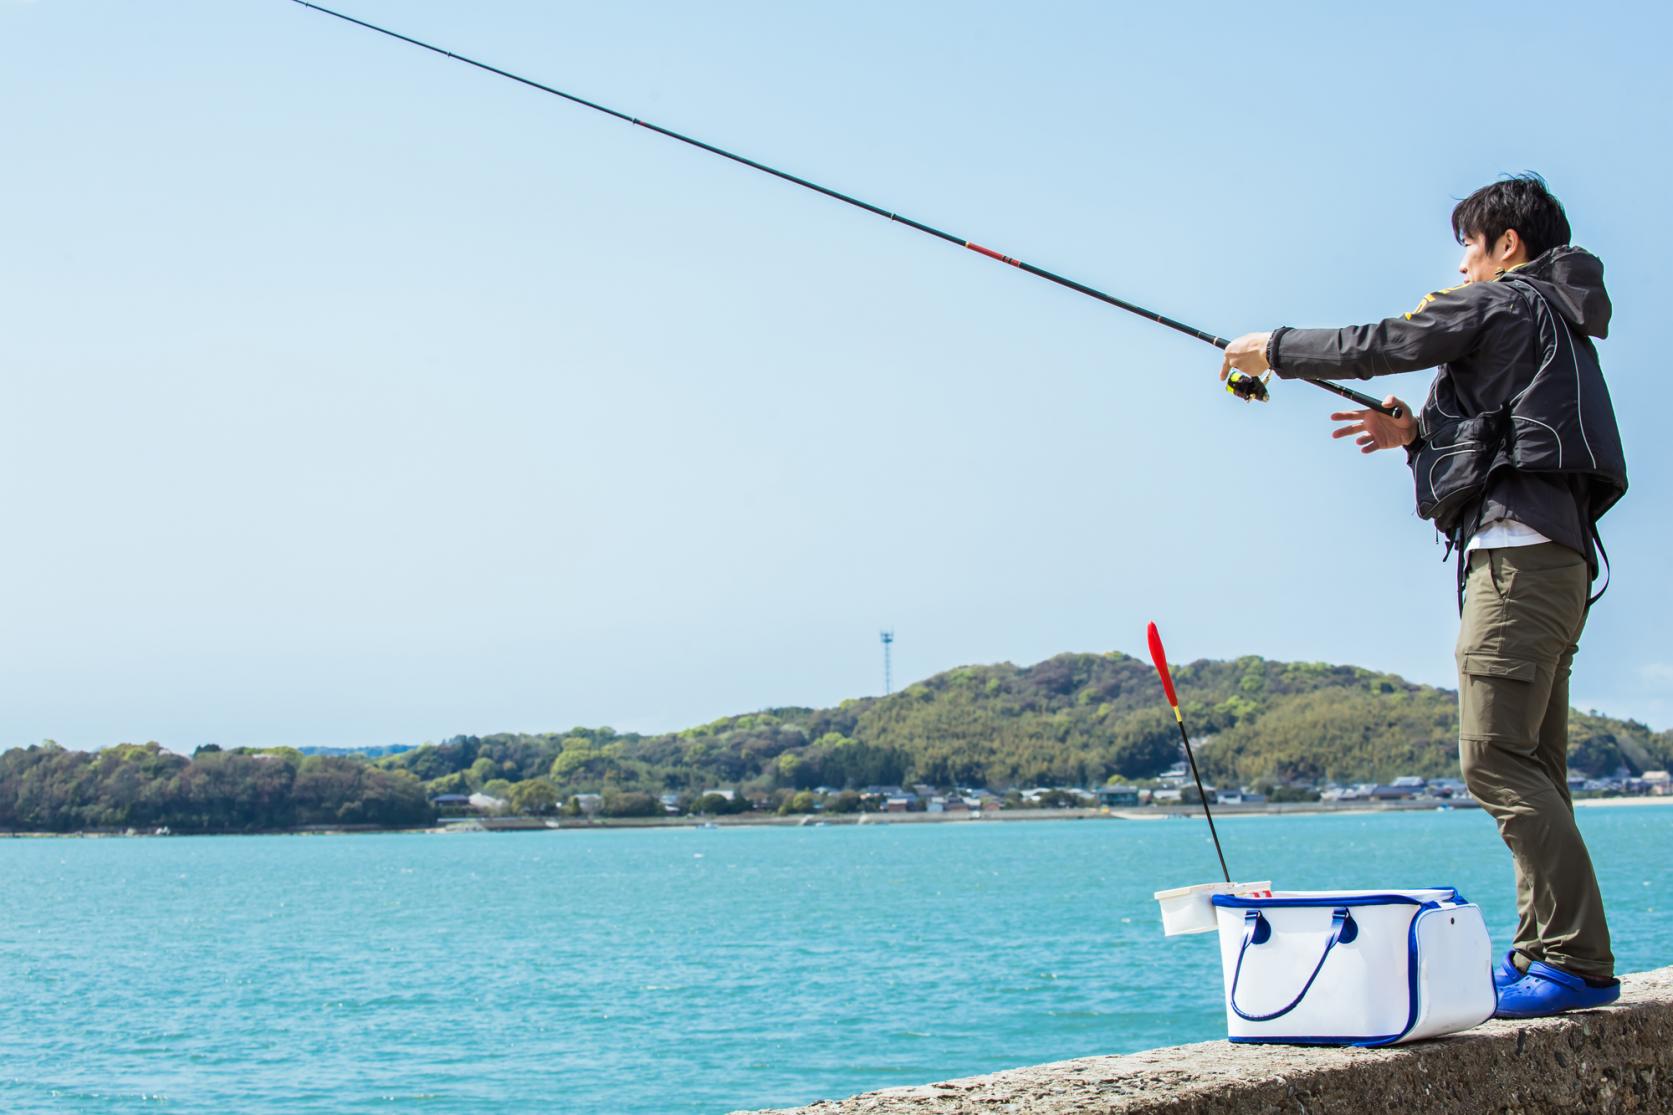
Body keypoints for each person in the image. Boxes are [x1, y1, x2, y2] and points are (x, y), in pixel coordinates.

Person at [1217, 174, 1629, 1020]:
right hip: (1555, 558)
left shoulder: (1506, 301)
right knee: (1534, 765)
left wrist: (1275, 349)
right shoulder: (1550, 319)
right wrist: (1416, 435)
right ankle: (1545, 952)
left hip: (1516, 562)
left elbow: (1387, 339)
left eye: (1468, 249)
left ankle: (1575, 961)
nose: (1462, 265)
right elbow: (1500, 433)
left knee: (1493, 761)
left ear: (1504, 246)